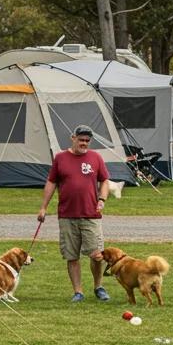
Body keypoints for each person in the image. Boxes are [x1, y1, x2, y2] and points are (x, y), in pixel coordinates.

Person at [37, 124, 111, 303]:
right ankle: (78, 292)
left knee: (97, 255)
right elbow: (51, 183)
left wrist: (102, 199)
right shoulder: (60, 158)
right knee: (72, 256)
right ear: (73, 138)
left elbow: (104, 180)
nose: (84, 143)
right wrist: (43, 207)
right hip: (67, 216)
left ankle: (98, 287)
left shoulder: (96, 157)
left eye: (87, 140)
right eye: (81, 140)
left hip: (91, 215)